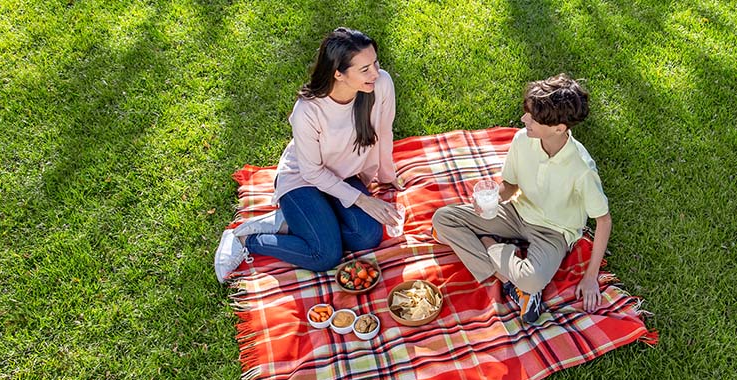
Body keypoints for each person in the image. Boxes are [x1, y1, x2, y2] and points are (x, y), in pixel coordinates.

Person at [215, 27, 402, 283]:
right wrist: (361, 200)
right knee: (324, 255)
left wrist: (387, 174)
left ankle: (293, 222)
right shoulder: (308, 111)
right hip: (303, 178)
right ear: (339, 74)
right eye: (365, 69)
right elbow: (312, 171)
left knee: (368, 236)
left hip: (343, 175)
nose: (375, 73)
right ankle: (247, 238)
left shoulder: (381, 84)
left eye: (375, 63)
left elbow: (383, 130)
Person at [432, 74, 612, 323]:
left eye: (532, 117)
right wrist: (494, 198)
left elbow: (603, 221)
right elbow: (510, 186)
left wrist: (591, 276)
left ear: (559, 128)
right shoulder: (522, 140)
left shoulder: (582, 169)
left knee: (532, 279)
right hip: (516, 213)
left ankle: (487, 245)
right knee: (443, 219)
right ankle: (506, 278)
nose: (523, 119)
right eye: (526, 112)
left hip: (554, 231)